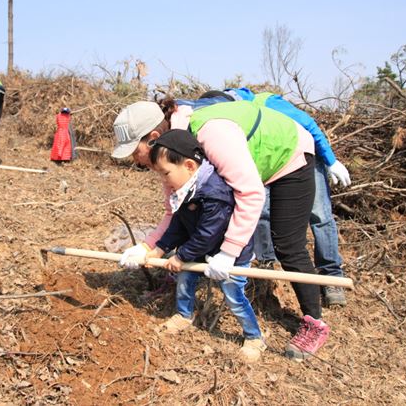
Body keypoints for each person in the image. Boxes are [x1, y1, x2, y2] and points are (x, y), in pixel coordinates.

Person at [113, 100, 330, 362]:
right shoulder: (171, 157)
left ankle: (313, 324)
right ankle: (185, 312)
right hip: (247, 165)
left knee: (287, 244)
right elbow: (175, 212)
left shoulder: (211, 135)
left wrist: (228, 253)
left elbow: (249, 193)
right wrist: (147, 247)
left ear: (153, 138)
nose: (135, 161)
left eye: (134, 152)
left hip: (288, 153)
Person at [171, 88, 352, 306]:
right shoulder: (220, 122)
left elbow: (309, 124)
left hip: (300, 153)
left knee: (319, 216)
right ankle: (267, 263)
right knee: (264, 214)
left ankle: (332, 276)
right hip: (263, 162)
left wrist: (331, 160)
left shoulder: (268, 102)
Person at [139, 129, 266, 363]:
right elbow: (178, 224)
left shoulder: (214, 193)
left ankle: (254, 337)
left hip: (229, 253)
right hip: (199, 249)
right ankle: (183, 315)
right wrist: (160, 247)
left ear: (188, 165)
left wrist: (181, 256)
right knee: (185, 280)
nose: (164, 181)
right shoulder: (186, 190)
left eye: (166, 173)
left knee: (233, 295)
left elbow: (208, 233)